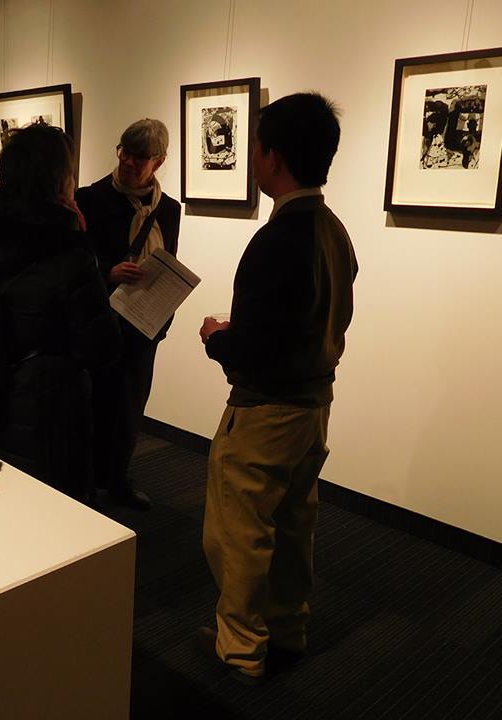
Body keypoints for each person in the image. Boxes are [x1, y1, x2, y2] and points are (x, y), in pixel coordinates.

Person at [196, 93, 358, 685]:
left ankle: (240, 647)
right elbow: (317, 321)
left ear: (275, 157)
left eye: (258, 148)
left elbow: (255, 352)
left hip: (266, 411)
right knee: (293, 523)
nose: (254, 159)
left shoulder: (278, 239)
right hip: (314, 407)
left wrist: (217, 337)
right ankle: (288, 627)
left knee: (237, 532)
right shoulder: (333, 231)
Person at [0, 123, 120, 501]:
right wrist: (79, 236)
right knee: (55, 508)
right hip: (50, 409)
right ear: (59, 180)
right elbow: (101, 347)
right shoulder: (68, 250)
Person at [75, 119, 181, 510]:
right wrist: (109, 272)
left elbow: (168, 261)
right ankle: (85, 481)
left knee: (129, 408)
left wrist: (164, 310)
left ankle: (117, 478)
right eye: (125, 151)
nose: (129, 162)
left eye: (140, 156)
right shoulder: (90, 198)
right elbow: (74, 260)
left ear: (159, 161)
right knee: (92, 403)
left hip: (143, 324)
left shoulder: (169, 210)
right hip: (99, 319)